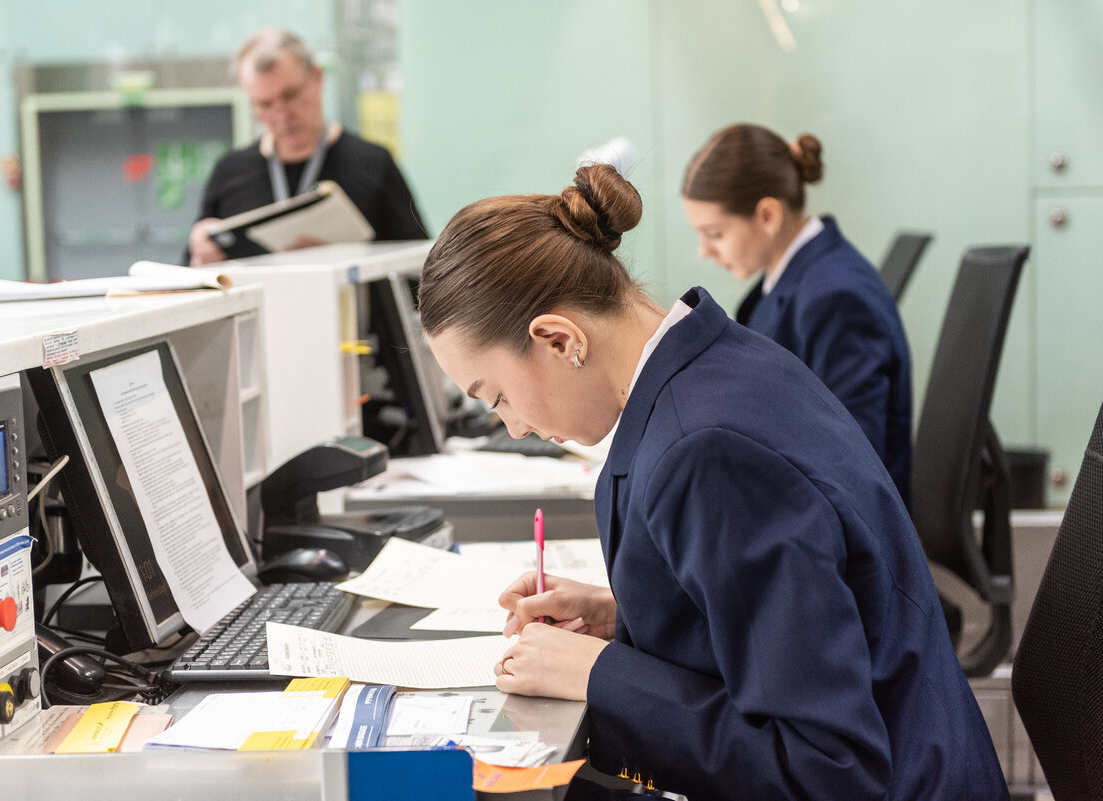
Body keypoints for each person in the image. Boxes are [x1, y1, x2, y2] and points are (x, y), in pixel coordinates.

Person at [418, 164, 1006, 800]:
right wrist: (626, 618)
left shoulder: (706, 452)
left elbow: (824, 769)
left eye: (498, 396)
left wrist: (600, 673)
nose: (515, 428)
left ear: (559, 339)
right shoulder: (717, 360)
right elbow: (799, 626)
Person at [681, 124, 912, 506]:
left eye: (715, 233)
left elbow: (851, 467)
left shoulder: (836, 297)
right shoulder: (787, 279)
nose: (704, 251)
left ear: (768, 215)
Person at [186, 27, 427, 265]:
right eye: (264, 105)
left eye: (290, 95)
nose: (281, 116)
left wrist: (356, 260)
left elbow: (422, 269)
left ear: (317, 77)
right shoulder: (230, 171)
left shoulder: (374, 163)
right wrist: (199, 256)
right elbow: (189, 273)